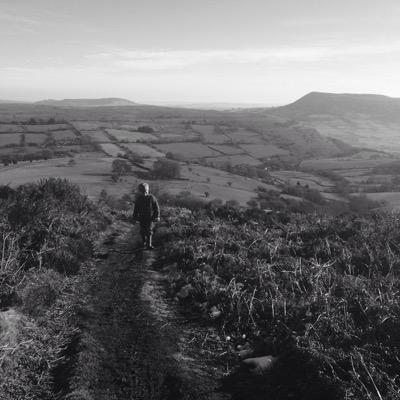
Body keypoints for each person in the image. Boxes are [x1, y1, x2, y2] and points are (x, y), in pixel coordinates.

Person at [133, 182, 160, 249]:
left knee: (149, 231)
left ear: (147, 191)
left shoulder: (152, 198)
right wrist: (135, 216)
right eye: (142, 192)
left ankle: (149, 244)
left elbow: (156, 208)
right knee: (142, 231)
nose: (144, 193)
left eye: (145, 192)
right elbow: (136, 209)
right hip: (141, 218)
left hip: (150, 218)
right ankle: (144, 242)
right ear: (140, 192)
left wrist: (157, 216)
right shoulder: (139, 199)